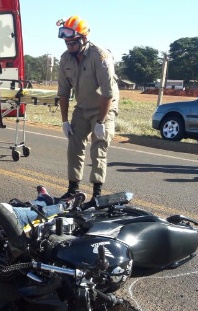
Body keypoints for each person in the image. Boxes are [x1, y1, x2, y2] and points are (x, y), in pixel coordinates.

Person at [56, 16, 119, 203]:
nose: (69, 46)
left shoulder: (100, 56)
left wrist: (100, 122)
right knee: (74, 146)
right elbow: (63, 92)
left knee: (98, 147)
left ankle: (97, 195)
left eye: (72, 42)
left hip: (104, 107)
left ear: (83, 39)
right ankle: (73, 190)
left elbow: (108, 93)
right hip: (82, 108)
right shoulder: (65, 58)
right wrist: (65, 121)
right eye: (66, 42)